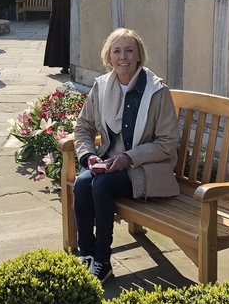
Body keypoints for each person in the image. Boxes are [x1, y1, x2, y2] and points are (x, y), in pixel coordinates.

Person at [72, 28, 180, 284]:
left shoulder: (156, 91)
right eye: (117, 51)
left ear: (139, 56)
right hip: (109, 164)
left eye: (129, 50)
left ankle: (102, 260)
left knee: (101, 185)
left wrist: (129, 157)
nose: (123, 57)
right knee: (82, 182)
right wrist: (88, 156)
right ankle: (85, 255)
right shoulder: (101, 88)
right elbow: (83, 128)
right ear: (109, 57)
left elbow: (167, 143)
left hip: (146, 168)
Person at [44, 0, 71, 75]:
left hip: (61, 19)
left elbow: (55, 2)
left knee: (62, 40)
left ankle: (65, 66)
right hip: (71, 18)